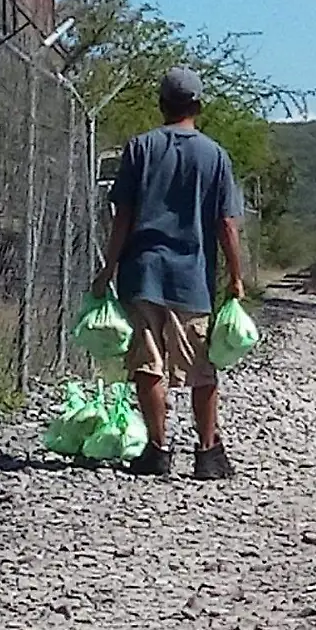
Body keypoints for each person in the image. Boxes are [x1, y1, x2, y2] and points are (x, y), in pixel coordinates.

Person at [92, 67, 246, 479]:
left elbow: (122, 213)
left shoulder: (140, 148)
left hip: (142, 272)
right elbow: (226, 223)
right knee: (201, 367)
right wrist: (235, 275)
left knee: (148, 364)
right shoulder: (214, 155)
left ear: (162, 105)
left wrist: (109, 265)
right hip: (191, 277)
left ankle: (157, 451)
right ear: (198, 105)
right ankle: (208, 452)